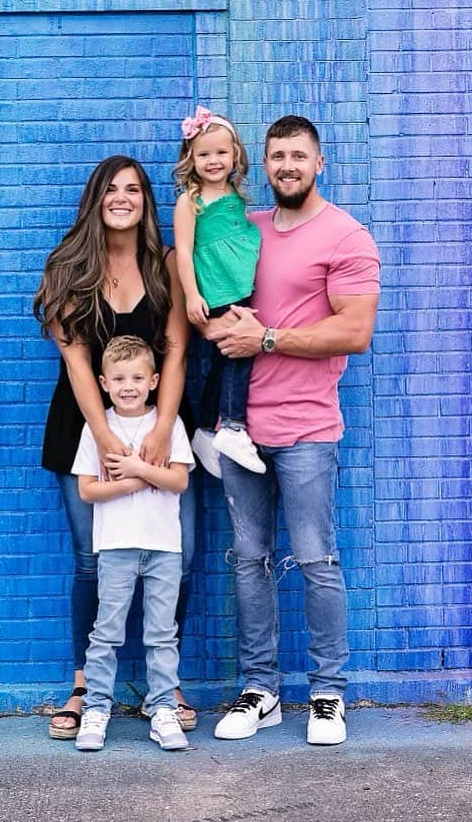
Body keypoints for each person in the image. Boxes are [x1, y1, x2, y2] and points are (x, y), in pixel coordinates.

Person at [207, 115, 380, 746]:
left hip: (307, 429)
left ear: (319, 162)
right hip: (239, 432)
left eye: (298, 155)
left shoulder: (347, 236)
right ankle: (261, 690)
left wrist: (269, 337)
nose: (287, 165)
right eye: (277, 155)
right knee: (248, 559)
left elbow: (354, 331)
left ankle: (327, 693)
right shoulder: (244, 228)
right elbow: (193, 267)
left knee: (315, 558)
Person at [33, 156, 198, 739]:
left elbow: (176, 350)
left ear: (145, 200)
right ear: (96, 199)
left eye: (133, 189)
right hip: (82, 426)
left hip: (161, 421)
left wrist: (160, 428)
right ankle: (84, 684)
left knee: (178, 556)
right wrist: (103, 435)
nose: (122, 198)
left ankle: (165, 683)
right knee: (90, 562)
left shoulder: (167, 265)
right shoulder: (69, 266)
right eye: (112, 189)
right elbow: (75, 357)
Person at [71, 336, 195, 751]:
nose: (129, 385)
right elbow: (88, 491)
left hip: (163, 546)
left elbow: (179, 480)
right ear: (103, 382)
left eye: (138, 377)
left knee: (161, 635)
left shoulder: (168, 424)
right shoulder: (98, 429)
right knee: (107, 632)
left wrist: (136, 468)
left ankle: (162, 709)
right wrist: (140, 481)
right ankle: (96, 708)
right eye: (120, 378)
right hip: (116, 545)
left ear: (155, 380)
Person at [173, 106, 265, 478]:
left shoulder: (235, 196)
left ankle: (207, 432)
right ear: (191, 159)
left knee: (222, 362)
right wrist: (192, 295)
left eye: (221, 153)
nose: (213, 161)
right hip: (216, 286)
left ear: (235, 156)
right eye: (204, 154)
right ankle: (233, 425)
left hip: (239, 283)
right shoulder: (190, 201)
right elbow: (183, 251)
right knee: (239, 355)